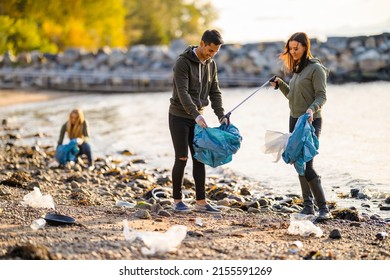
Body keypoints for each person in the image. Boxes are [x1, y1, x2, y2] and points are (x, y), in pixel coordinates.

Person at [270, 32, 332, 220]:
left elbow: (322, 96)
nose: (293, 52)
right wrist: (281, 84)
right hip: (294, 119)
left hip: (310, 121)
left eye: (296, 48)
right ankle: (308, 207)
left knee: (307, 164)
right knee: (298, 163)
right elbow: (292, 96)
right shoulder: (297, 68)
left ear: (305, 47)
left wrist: (312, 110)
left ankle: (323, 209)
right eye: (290, 48)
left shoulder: (316, 69)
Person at [169, 29, 228, 213]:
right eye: (210, 50)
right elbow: (182, 92)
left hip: (197, 118)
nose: (212, 55)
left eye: (215, 52)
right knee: (181, 158)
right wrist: (196, 114)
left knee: (199, 158)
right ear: (202, 43)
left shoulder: (211, 64)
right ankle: (177, 201)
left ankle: (201, 202)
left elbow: (215, 92)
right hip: (179, 116)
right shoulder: (183, 62)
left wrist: (221, 114)